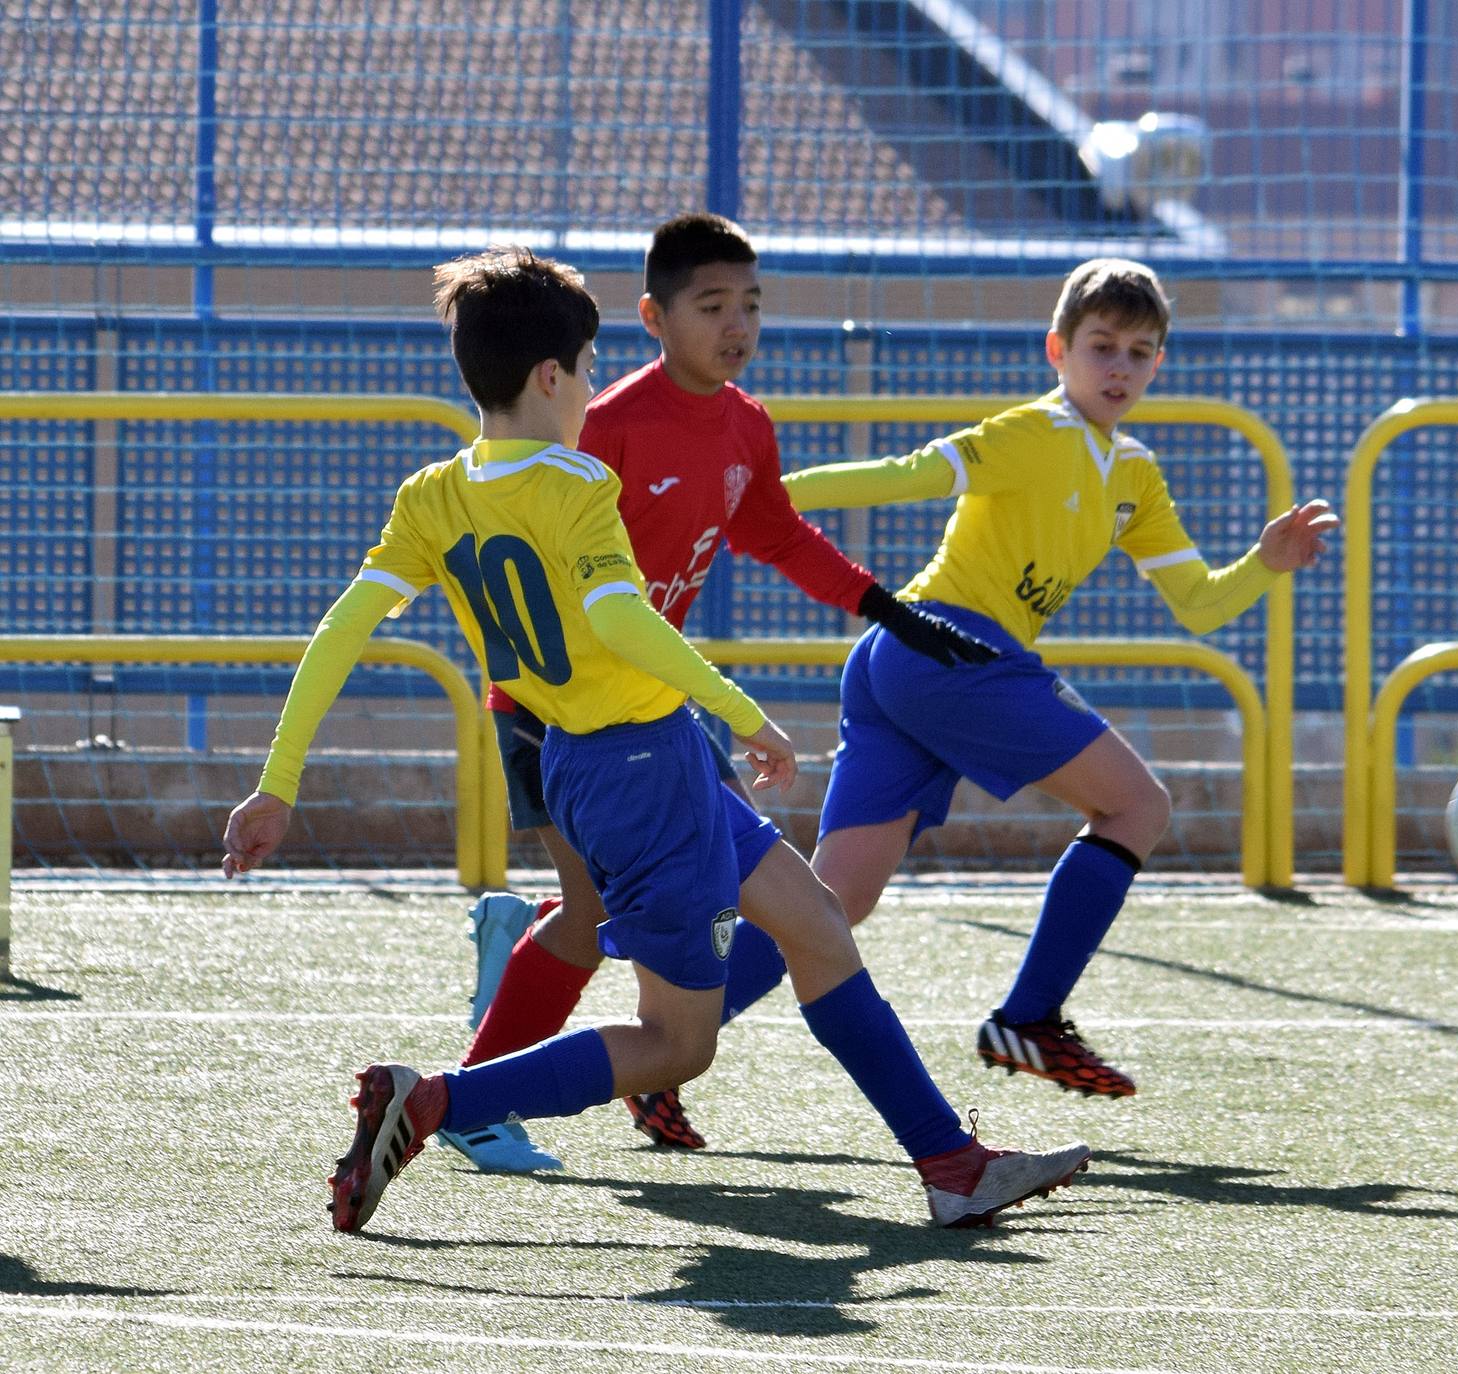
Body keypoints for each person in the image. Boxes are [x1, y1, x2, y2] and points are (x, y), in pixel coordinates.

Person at [219, 245, 1090, 1234]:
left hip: (624, 759)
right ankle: (433, 1105)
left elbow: (340, 632)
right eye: (588, 370)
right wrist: (741, 710)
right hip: (640, 767)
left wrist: (275, 784)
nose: (595, 389)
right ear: (552, 377)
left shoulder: (432, 495)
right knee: (677, 1045)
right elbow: (624, 621)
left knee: (811, 922)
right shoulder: (578, 483)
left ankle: (950, 1163)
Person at [454, 211, 995, 1171]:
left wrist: (886, 606)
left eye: (751, 303)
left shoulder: (746, 423)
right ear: (654, 317)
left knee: (794, 909)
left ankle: (927, 1153)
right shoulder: (602, 425)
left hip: (657, 716)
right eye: (712, 305)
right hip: (564, 722)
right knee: (589, 924)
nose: (737, 324)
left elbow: (778, 533)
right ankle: (480, 1096)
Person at [766, 257, 1341, 1097]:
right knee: (1139, 804)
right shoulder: (1032, 433)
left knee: (829, 905)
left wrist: (1262, 562)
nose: (1120, 367)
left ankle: (672, 1038)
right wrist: (759, 503)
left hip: (906, 666)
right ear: (1057, 351)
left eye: (1140, 353)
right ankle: (1028, 1019)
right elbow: (904, 476)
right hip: (949, 648)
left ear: (1158, 366)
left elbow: (1200, 604)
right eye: (1101, 346)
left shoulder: (1134, 475)